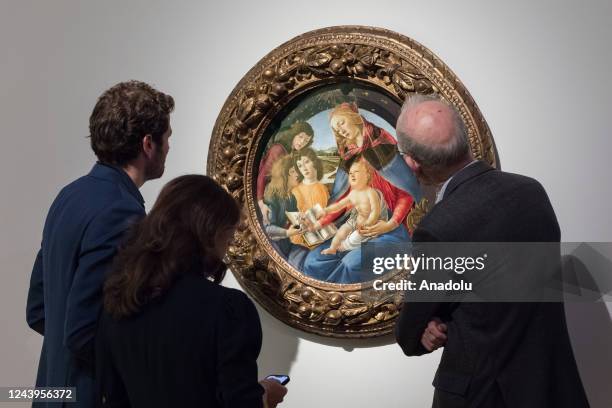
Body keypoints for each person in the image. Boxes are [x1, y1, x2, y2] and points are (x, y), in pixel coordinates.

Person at [393, 94, 589, 407]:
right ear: (464, 136)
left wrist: (434, 320)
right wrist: (445, 314)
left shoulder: (439, 227)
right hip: (551, 387)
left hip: (485, 395)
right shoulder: (531, 191)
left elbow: (409, 333)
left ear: (413, 164)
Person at [26, 81, 174, 408]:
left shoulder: (69, 196)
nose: (168, 147)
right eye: (167, 139)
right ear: (148, 144)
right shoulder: (120, 210)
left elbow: (37, 309)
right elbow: (82, 332)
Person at [96, 175, 287, 408]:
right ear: (210, 233)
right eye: (229, 234)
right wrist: (266, 395)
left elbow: (113, 398)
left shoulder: (120, 301)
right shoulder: (227, 309)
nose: (228, 244)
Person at [302, 103, 420, 284]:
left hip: (390, 228)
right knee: (314, 261)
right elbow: (343, 201)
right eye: (335, 129)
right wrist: (319, 223)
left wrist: (389, 225)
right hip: (356, 226)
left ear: (355, 118)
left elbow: (406, 193)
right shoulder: (349, 158)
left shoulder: (384, 149)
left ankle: (341, 303)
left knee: (351, 264)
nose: (340, 131)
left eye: (341, 123)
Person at [320, 158, 387, 255]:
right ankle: (332, 248)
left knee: (355, 237)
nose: (352, 175)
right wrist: (326, 211)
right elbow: (339, 205)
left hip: (369, 224)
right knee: (341, 231)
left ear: (367, 175)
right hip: (355, 221)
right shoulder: (353, 193)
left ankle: (344, 247)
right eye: (350, 173)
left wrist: (368, 224)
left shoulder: (371, 193)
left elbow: (375, 212)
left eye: (356, 172)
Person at [257, 121, 314, 224]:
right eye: (301, 137)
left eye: (306, 141)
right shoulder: (278, 149)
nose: (302, 142)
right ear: (294, 133)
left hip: (277, 192)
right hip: (267, 195)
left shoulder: (292, 152)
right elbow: (262, 176)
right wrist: (260, 203)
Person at [263, 155, 308, 268]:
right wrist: (287, 233)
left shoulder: (290, 196)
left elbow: (294, 217)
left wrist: (302, 220)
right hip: (273, 246)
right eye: (292, 171)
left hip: (285, 243)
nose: (297, 174)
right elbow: (267, 229)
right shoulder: (271, 195)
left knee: (306, 254)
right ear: (283, 174)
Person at [289, 148, 330, 248]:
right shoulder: (295, 190)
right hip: (299, 233)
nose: (304, 168)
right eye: (300, 165)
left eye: (306, 162)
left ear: (314, 162)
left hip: (318, 232)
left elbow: (323, 215)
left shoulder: (322, 189)